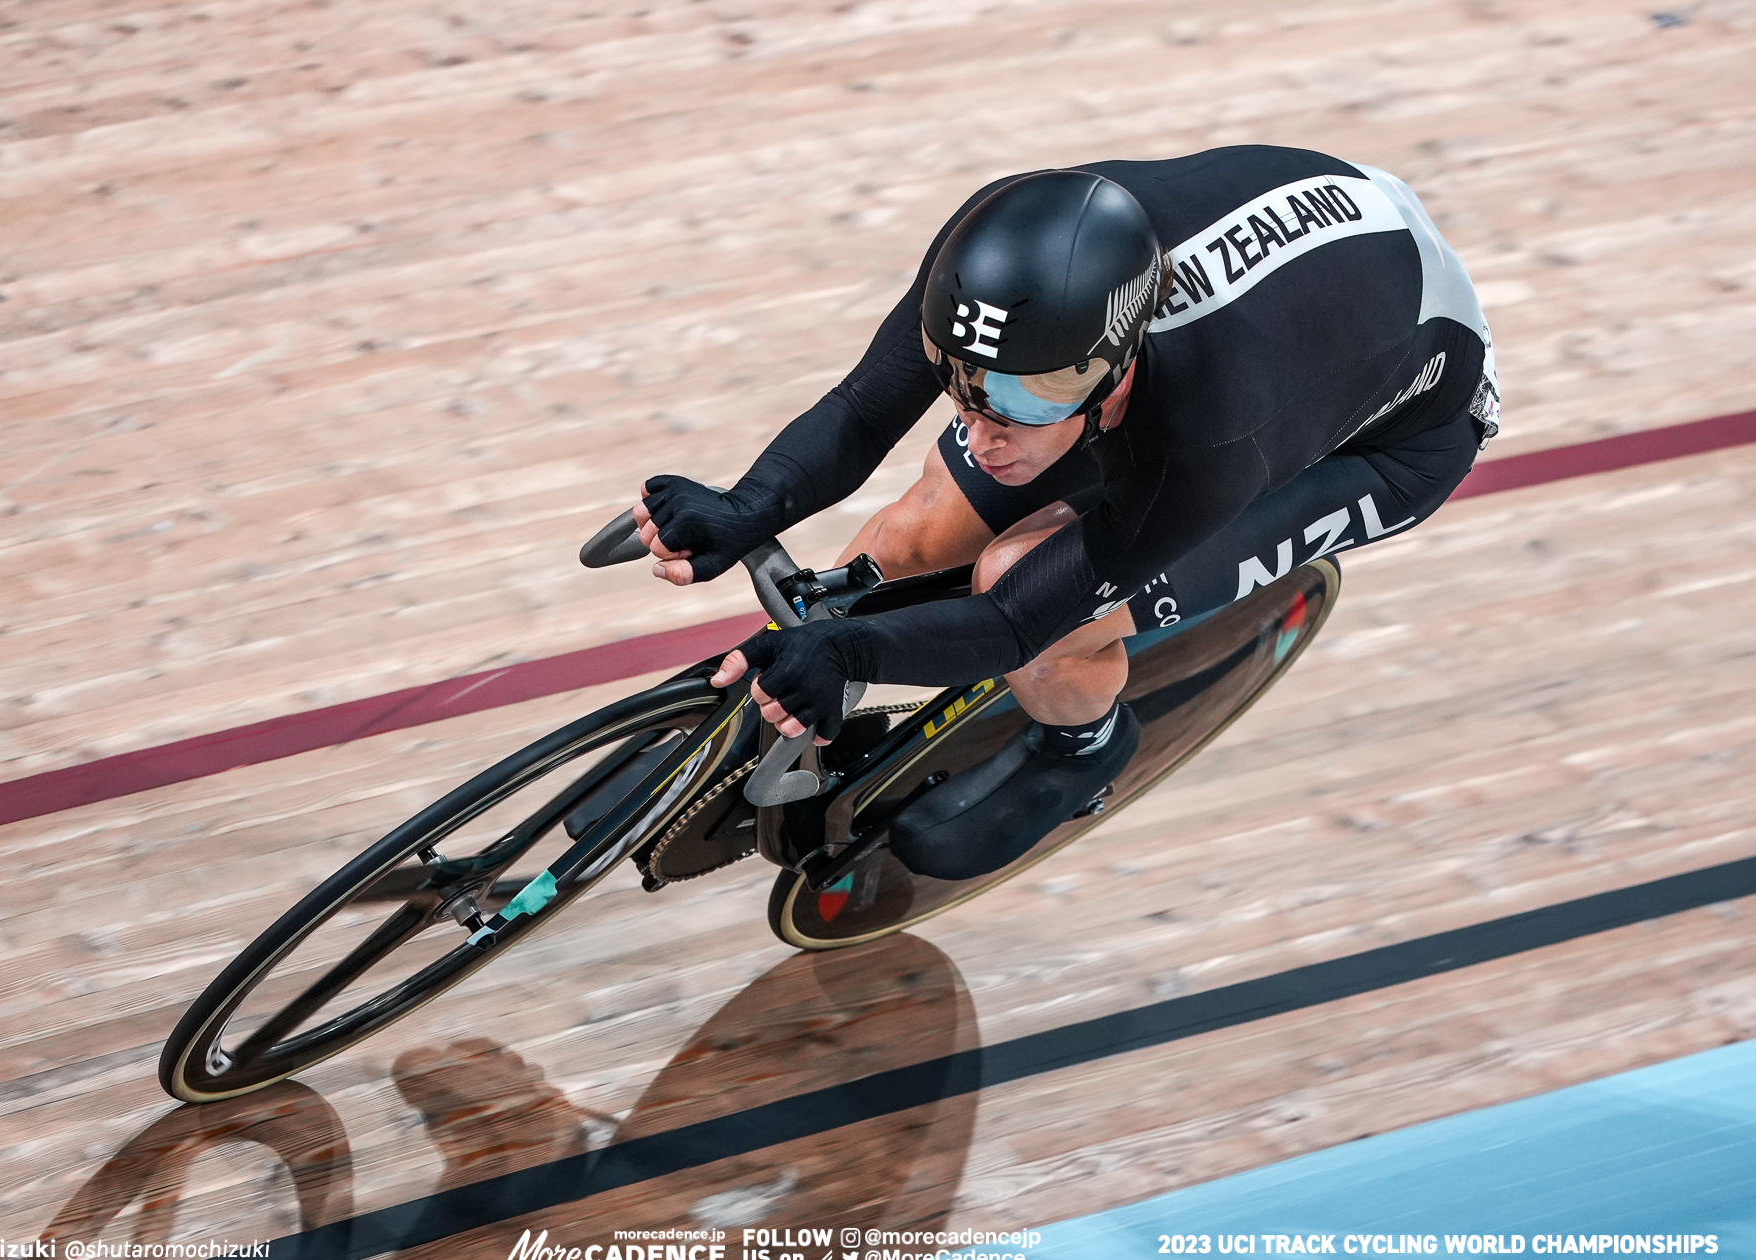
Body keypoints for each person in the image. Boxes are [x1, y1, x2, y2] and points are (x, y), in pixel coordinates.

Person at [632, 145, 1499, 882]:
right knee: (916, 532)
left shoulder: (1210, 434)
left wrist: (848, 648)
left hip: (1390, 441)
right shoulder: (994, 260)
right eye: (961, 382)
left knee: (1028, 592)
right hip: (1307, 302)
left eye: (1020, 401)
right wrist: (748, 505)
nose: (982, 427)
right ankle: (780, 721)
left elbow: (1014, 622)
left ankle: (1080, 749)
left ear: (1111, 373)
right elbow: (863, 410)